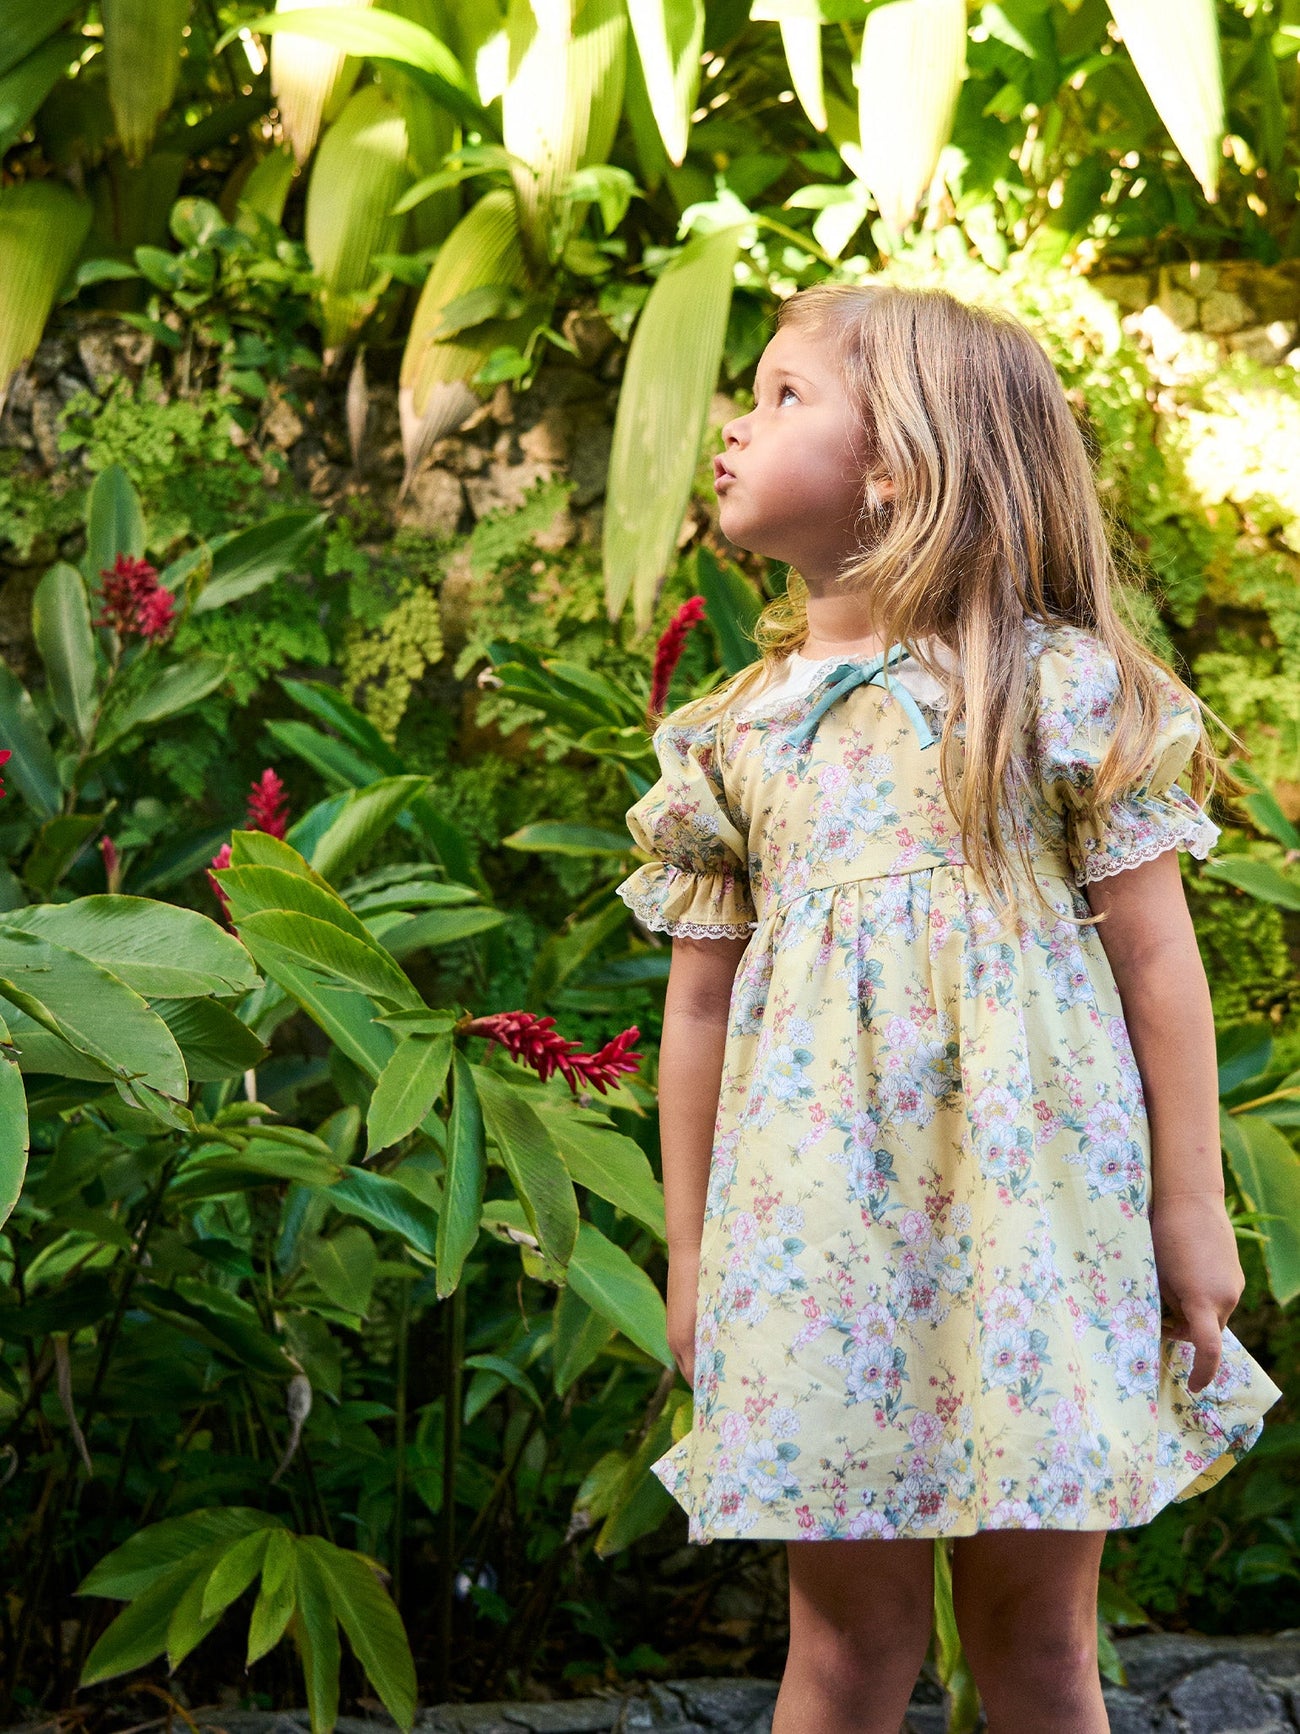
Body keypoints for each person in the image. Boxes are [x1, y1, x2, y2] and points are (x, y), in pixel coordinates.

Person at [612, 284, 1283, 1734]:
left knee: (1037, 1648)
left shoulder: (1050, 693)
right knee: (847, 1653)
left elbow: (1160, 965)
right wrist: (691, 1251)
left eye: (784, 396)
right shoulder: (728, 738)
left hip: (1034, 1233)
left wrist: (1191, 1207)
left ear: (899, 465)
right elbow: (700, 1015)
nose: (736, 422)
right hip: (818, 1251)